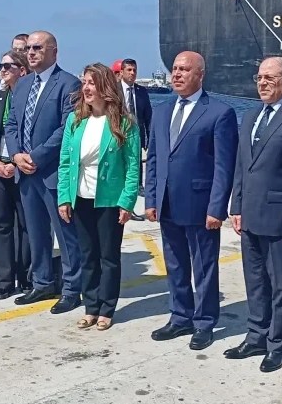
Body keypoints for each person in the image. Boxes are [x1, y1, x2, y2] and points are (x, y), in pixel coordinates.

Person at [224, 57, 282, 372]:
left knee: (281, 284)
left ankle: (277, 342)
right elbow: (242, 165)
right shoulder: (251, 116)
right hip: (249, 213)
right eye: (259, 77)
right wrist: (236, 206)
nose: (262, 83)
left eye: (270, 78)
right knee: (255, 280)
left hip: (280, 216)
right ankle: (256, 336)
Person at [145, 51, 238, 350]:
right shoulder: (162, 111)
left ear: (200, 75)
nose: (177, 74)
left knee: (204, 266)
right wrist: (151, 199)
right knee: (174, 264)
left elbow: (224, 166)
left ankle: (205, 321)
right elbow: (155, 158)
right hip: (167, 202)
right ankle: (180, 316)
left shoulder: (219, 113)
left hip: (200, 204)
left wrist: (217, 207)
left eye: (184, 69)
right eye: (174, 69)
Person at [58, 63, 140, 331]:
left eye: (91, 83)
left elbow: (132, 166)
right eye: (84, 82)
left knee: (109, 257)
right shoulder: (75, 120)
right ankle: (91, 306)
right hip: (81, 197)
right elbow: (65, 162)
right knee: (87, 255)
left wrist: (127, 201)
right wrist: (64, 197)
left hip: (109, 200)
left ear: (106, 87)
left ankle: (107, 308)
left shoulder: (124, 123)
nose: (86, 88)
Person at [4, 30, 82, 314]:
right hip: (25, 173)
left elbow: (67, 128)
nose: (31, 53)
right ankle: (42, 282)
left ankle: (72, 289)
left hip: (52, 173)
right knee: (36, 233)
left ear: (54, 52)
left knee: (66, 234)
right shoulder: (23, 84)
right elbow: (12, 124)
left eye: (37, 48)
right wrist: (16, 155)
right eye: (29, 48)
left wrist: (35, 157)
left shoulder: (69, 84)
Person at [0, 51, 32, 299]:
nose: (2, 70)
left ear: (22, 70)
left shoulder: (28, 99)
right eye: (1, 66)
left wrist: (15, 162)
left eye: (8, 66)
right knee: (0, 224)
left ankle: (25, 276)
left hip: (21, 169)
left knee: (26, 225)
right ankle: (3, 281)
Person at [118, 58, 152, 202]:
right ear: (121, 72)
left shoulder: (141, 92)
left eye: (134, 70)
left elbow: (148, 117)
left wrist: (150, 139)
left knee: (136, 161)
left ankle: (138, 187)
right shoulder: (114, 90)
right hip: (118, 134)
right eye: (129, 70)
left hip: (137, 135)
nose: (132, 73)